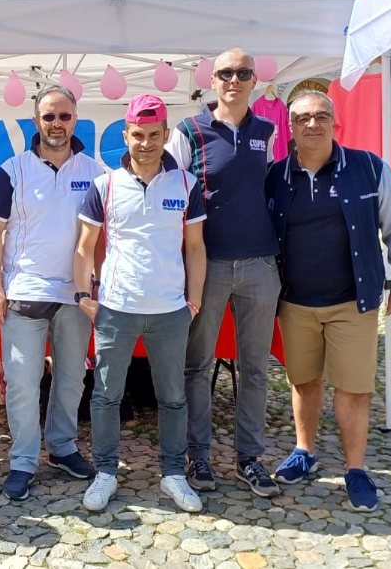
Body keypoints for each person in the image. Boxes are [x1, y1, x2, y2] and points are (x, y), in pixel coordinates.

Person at [265, 90, 391, 513]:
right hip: (295, 302)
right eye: (302, 118)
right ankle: (304, 451)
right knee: (303, 380)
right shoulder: (275, 176)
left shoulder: (368, 169)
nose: (312, 124)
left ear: (335, 122)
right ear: (290, 127)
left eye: (321, 116)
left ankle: (355, 469)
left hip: (353, 299)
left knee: (353, 388)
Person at [74, 94, 208, 513]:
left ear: (166, 135)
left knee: (172, 397)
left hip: (170, 310)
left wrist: (194, 301)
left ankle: (172, 474)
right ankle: (105, 473)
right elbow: (85, 247)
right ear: (125, 135)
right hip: (117, 307)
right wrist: (84, 296)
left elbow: (196, 247)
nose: (146, 143)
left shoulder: (187, 184)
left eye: (154, 135)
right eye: (137, 135)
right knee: (106, 395)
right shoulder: (105, 185)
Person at [166, 48, 282, 498]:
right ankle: (198, 456)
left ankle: (249, 459)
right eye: (226, 73)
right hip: (207, 264)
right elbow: (169, 194)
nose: (234, 79)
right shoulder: (189, 131)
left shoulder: (269, 132)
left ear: (255, 80)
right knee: (197, 365)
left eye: (243, 73)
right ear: (212, 80)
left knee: (255, 368)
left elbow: (276, 193)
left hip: (259, 264)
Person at [0, 85, 105, 500]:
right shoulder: (12, 170)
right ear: (36, 122)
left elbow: (104, 237)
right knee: (21, 381)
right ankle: (22, 460)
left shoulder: (94, 172)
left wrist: (98, 285)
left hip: (75, 295)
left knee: (71, 379)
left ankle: (62, 447)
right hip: (24, 292)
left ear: (76, 119)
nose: (56, 124)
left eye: (64, 116)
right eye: (49, 117)